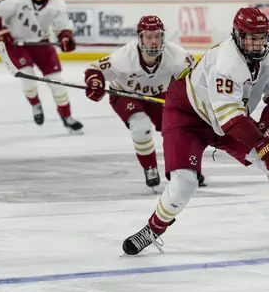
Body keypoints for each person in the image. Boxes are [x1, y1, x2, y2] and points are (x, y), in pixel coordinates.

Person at [122, 7, 269, 255]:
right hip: (188, 117)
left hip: (229, 118)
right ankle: (152, 230)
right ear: (238, 36)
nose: (257, 43)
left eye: (262, 37)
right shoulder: (226, 62)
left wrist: (267, 128)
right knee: (185, 183)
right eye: (251, 37)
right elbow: (229, 120)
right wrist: (265, 143)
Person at [84, 15, 206, 189]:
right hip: (126, 94)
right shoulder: (124, 57)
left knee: (181, 129)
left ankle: (188, 169)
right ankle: (150, 168)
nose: (154, 42)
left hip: (161, 95)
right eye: (149, 37)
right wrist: (95, 83)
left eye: (157, 36)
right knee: (140, 126)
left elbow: (196, 75)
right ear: (140, 38)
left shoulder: (177, 55)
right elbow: (95, 69)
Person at [0, 0, 83, 133]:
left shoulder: (56, 3)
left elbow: (63, 27)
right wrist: (1, 31)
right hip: (16, 44)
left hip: (40, 42)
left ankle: (67, 117)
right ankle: (36, 104)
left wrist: (65, 38)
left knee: (57, 81)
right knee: (28, 77)